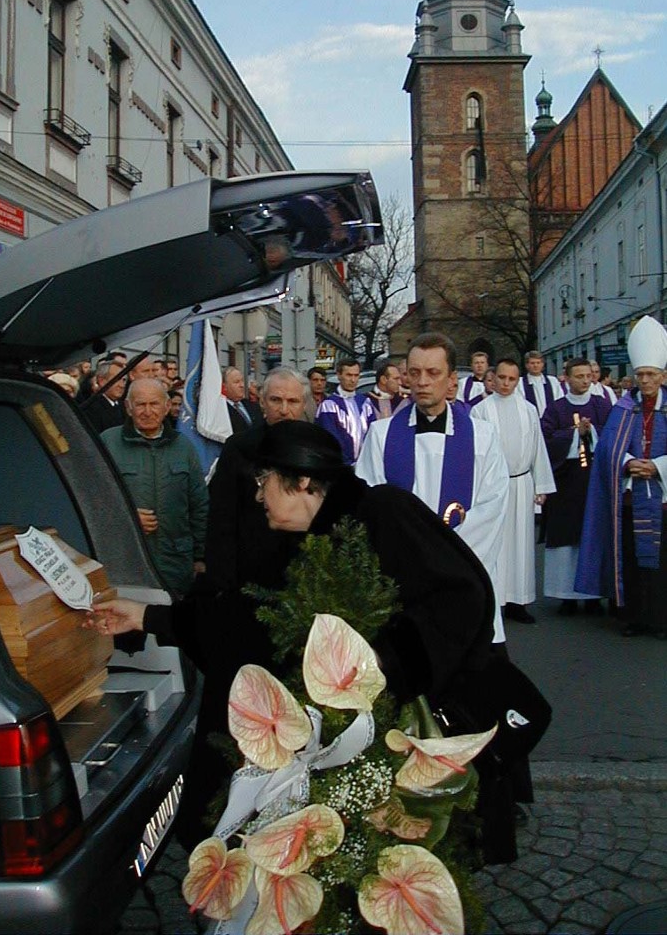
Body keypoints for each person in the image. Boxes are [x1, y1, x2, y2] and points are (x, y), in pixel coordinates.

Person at [89, 420, 495, 854]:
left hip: (391, 750)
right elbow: (241, 622)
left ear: (302, 481)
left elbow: (462, 597)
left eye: (265, 482)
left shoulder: (383, 511)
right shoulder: (294, 542)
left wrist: (377, 670)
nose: (258, 494)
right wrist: (146, 617)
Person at [356, 331, 510, 645]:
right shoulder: (381, 436)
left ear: (452, 379)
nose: (422, 381)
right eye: (414, 373)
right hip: (404, 579)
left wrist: (444, 562)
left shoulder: (482, 436)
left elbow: (492, 507)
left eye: (433, 373)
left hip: (463, 576)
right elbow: (370, 505)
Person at [577, 316, 667, 639]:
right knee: (629, 559)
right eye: (641, 374)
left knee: (661, 564)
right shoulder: (624, 407)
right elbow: (606, 451)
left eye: (651, 375)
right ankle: (633, 617)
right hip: (630, 497)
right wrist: (629, 463)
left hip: (662, 498)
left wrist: (658, 467)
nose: (645, 381)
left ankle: (660, 620)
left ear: (663, 376)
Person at [202, 366, 309, 591]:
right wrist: (222, 579)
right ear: (262, 402)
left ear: (304, 404)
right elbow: (221, 518)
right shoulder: (238, 447)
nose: (284, 409)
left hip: (306, 572)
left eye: (293, 401)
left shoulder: (319, 448)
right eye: (276, 400)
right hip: (249, 573)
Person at [101, 377, 208, 596]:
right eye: (140, 404)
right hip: (126, 564)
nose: (147, 411)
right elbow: (92, 500)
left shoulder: (184, 447)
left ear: (167, 406)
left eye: (154, 404)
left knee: (174, 626)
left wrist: (200, 557)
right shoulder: (107, 443)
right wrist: (127, 517)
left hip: (175, 564)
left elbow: (199, 505)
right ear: (128, 408)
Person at [472, 358, 555, 624]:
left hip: (521, 483)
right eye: (502, 378)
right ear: (493, 379)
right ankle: (495, 599)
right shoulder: (481, 411)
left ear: (518, 381)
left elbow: (537, 446)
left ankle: (518, 601)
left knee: (521, 543)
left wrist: (541, 484)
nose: (506, 384)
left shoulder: (528, 409)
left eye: (512, 379)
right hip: (494, 486)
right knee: (496, 543)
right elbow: (476, 453)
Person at [540, 357, 613, 615]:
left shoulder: (602, 405)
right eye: (578, 376)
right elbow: (544, 440)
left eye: (587, 376)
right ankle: (566, 596)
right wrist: (574, 434)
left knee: (592, 536)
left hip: (594, 482)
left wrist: (592, 432)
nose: (584, 380)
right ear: (567, 378)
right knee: (565, 539)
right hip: (566, 482)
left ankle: (593, 595)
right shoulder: (555, 408)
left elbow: (614, 436)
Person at [315, 355, 377, 464]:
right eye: (349, 375)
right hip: (339, 467)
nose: (353, 380)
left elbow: (373, 434)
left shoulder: (365, 403)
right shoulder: (329, 405)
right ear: (339, 375)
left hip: (365, 465)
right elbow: (330, 439)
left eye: (356, 375)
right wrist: (347, 464)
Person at [82, 358, 127, 435]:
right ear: (102, 381)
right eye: (117, 379)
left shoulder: (125, 407)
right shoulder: (90, 409)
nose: (122, 385)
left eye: (124, 380)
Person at [518, 350, 563, 417]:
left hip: (551, 420)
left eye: (538, 363)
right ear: (527, 365)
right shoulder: (520, 383)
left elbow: (560, 400)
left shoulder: (552, 381)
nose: (535, 365)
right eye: (532, 363)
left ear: (542, 364)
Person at [222, 365, 263, 433]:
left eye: (242, 381)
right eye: (237, 382)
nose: (242, 385)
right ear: (224, 386)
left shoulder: (253, 406)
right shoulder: (222, 410)